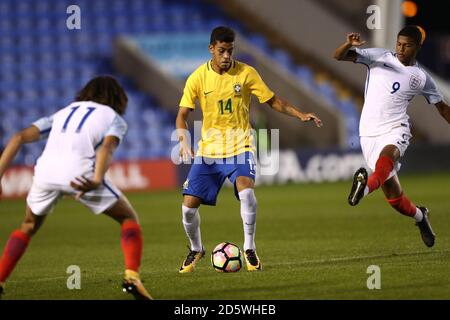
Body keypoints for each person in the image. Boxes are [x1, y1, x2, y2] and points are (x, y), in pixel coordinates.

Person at [176, 26, 323, 273]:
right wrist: (182, 140)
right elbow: (181, 115)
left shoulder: (246, 73)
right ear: (211, 49)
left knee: (246, 192)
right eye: (221, 51)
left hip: (240, 145)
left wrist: (300, 115)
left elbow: (273, 100)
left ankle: (249, 248)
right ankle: (196, 248)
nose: (226, 56)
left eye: (230, 51)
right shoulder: (197, 78)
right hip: (209, 151)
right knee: (188, 208)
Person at [0, 76, 152, 300]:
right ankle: (131, 278)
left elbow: (18, 137)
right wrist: (97, 178)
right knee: (128, 218)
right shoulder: (114, 118)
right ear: (118, 98)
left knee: (28, 225)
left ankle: (0, 280)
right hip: (79, 174)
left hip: (45, 173)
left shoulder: (64, 112)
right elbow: (107, 147)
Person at [334, 26, 450, 247]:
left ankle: (364, 188)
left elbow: (443, 108)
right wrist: (348, 44)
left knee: (385, 160)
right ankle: (420, 216)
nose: (401, 48)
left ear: (417, 47)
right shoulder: (379, 56)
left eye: (407, 45)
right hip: (368, 133)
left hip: (396, 129)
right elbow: (338, 56)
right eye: (399, 43)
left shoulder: (421, 78)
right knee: (395, 200)